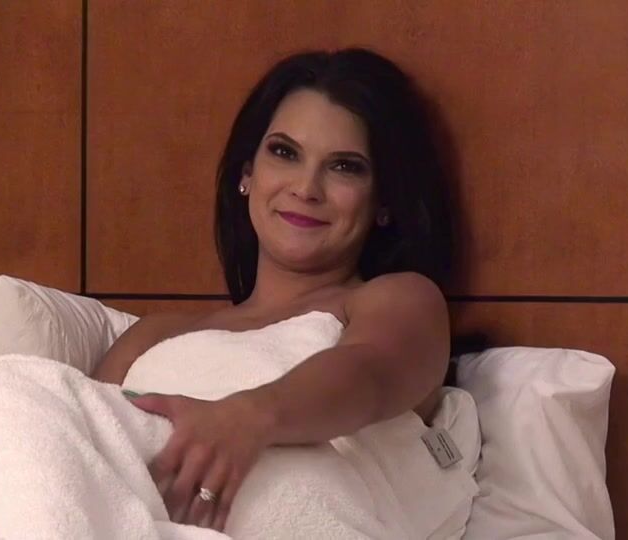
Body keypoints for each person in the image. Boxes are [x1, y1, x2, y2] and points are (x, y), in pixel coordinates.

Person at [90, 48, 456, 532]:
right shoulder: (150, 337)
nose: (306, 188)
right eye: (285, 153)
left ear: (384, 201)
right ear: (247, 174)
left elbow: (370, 375)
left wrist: (248, 418)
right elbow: (83, 443)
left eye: (345, 167)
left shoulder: (401, 300)